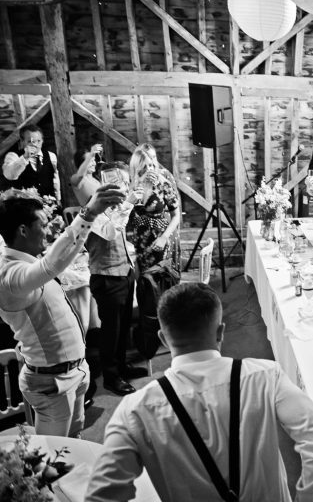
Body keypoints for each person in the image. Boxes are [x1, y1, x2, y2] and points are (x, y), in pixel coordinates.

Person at [85, 283, 313, 502]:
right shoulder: (264, 375)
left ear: (163, 338)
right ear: (221, 331)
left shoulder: (135, 409)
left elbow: (101, 494)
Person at [0, 185, 126, 437]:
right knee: (54, 458)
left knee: (73, 441)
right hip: (51, 383)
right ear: (23, 230)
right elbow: (51, 266)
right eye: (43, 224)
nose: (48, 230)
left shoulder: (29, 259)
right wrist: (87, 214)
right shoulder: (9, 274)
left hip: (73, 372)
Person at [87, 162, 144, 396]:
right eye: (121, 182)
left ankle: (121, 366)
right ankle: (111, 377)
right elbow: (110, 233)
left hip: (124, 272)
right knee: (110, 331)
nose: (125, 186)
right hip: (106, 276)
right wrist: (128, 203)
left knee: (122, 328)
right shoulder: (93, 209)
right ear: (107, 183)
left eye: (126, 182)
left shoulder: (116, 207)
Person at [127, 143, 181, 273]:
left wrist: (164, 238)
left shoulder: (163, 185)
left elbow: (176, 215)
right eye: (144, 167)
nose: (149, 169)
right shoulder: (130, 187)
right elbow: (124, 212)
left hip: (159, 239)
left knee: (161, 279)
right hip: (138, 241)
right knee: (144, 283)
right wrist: (139, 184)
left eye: (151, 165)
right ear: (137, 168)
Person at [2, 124, 61, 203]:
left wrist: (58, 199)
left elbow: (55, 180)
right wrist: (25, 157)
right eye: (30, 141)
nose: (35, 145)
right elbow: (9, 175)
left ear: (42, 141)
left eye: (38, 141)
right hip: (24, 207)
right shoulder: (13, 156)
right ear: (22, 141)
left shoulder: (51, 156)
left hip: (49, 204)